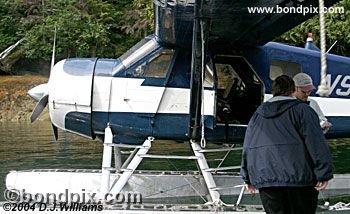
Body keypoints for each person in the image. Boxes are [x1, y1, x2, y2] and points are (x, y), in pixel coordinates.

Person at [240, 75, 333, 214]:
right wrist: (323, 173)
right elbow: (316, 143)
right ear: (292, 90)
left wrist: (247, 176)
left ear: (274, 91)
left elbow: (248, 146)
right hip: (299, 179)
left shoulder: (257, 115)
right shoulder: (303, 110)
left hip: (267, 180)